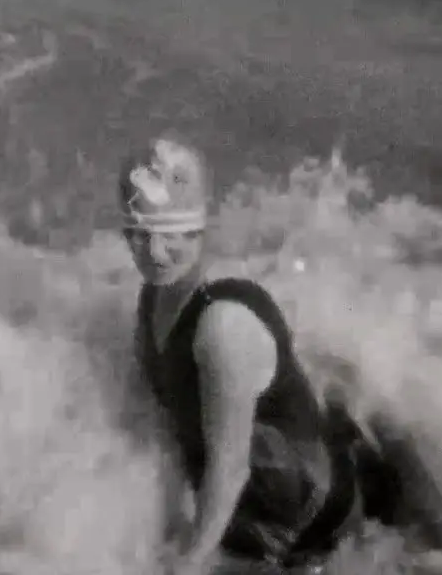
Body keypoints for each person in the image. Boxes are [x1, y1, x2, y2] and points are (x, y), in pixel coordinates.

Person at [117, 135, 400, 572]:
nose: (154, 252)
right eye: (139, 233)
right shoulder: (153, 296)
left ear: (202, 226)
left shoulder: (222, 327)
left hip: (306, 518)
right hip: (252, 499)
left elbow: (229, 471)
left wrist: (187, 563)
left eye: (173, 233)